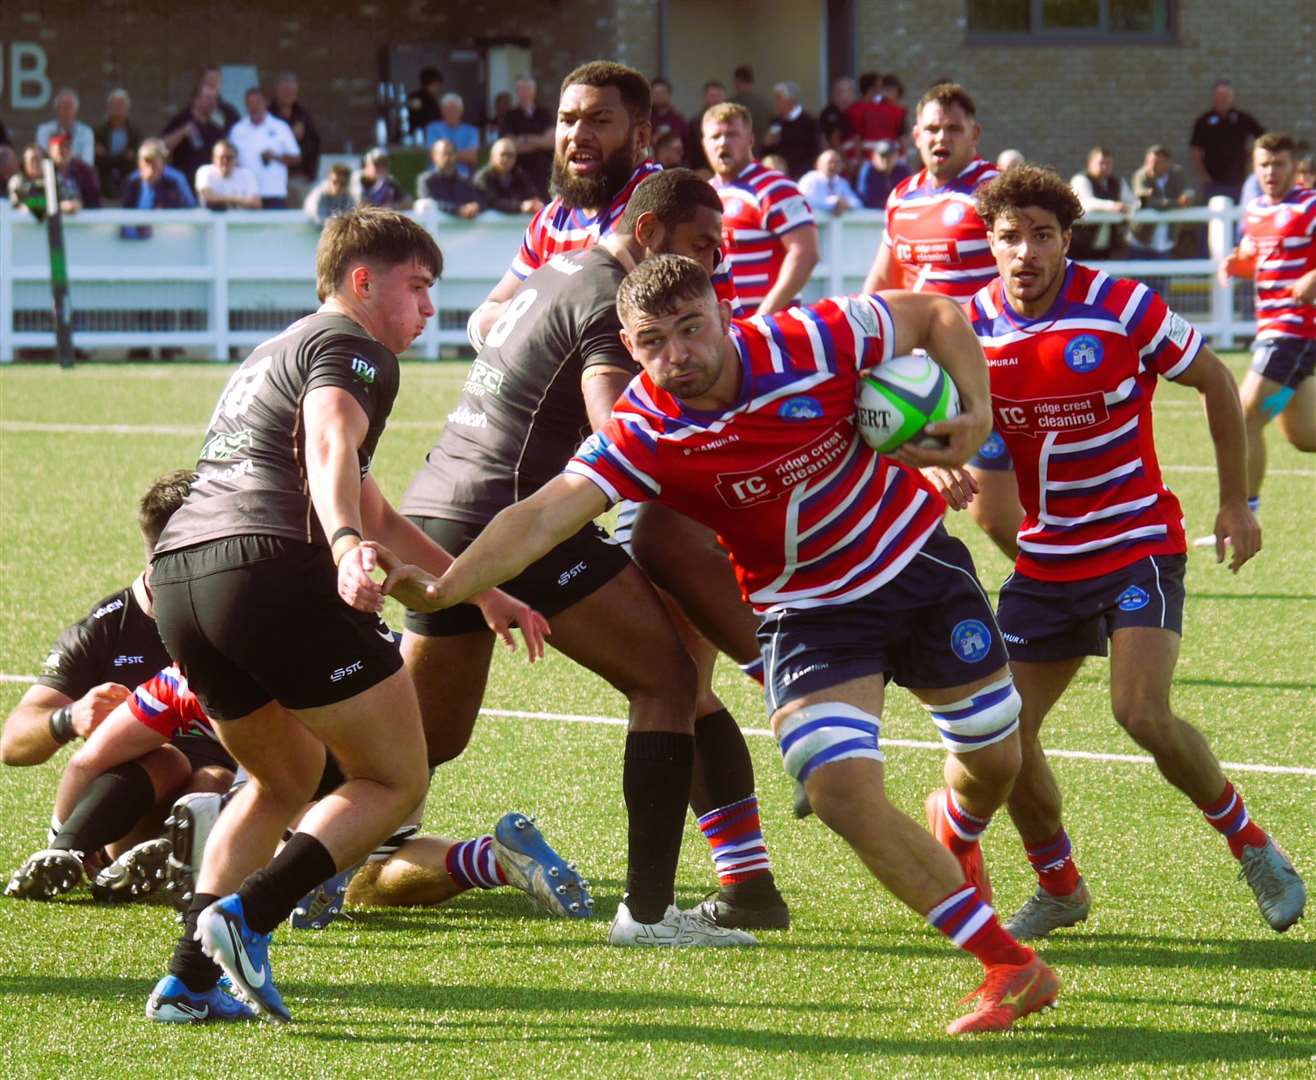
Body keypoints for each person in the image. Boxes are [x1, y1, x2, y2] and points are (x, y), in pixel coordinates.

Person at [387, 254, 1061, 1036]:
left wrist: (974, 415)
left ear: (723, 312)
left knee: (994, 759)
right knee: (840, 790)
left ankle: (957, 828)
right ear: (629, 348)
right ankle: (1008, 963)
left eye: (691, 328)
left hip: (916, 568)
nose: (678, 354)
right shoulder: (644, 428)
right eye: (653, 341)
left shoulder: (812, 339)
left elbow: (935, 314)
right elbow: (540, 516)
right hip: (808, 614)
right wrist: (444, 589)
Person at [142, 208, 547, 1024]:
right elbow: (331, 444)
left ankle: (187, 980)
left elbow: (376, 505)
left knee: (282, 780)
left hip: (183, 580)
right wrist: (345, 546)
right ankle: (246, 919)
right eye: (419, 286)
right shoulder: (354, 347)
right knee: (397, 776)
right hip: (268, 570)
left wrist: (480, 587)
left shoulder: (270, 351)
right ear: (363, 282)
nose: (431, 308)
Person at [392, 169, 778, 943]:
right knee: (669, 681)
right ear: (649, 234)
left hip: (440, 504)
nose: (712, 264)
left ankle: (248, 829)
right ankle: (649, 914)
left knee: (421, 744)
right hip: (514, 514)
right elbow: (615, 432)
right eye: (702, 245)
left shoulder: (558, 266)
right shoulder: (612, 296)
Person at [953, 164, 1304, 941]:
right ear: (990, 243)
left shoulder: (1120, 307)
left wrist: (1232, 502)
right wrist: (939, 458)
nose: (1026, 252)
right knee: (1001, 738)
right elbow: (950, 427)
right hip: (1046, 561)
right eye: (1010, 237)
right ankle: (1059, 883)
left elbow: (1216, 381)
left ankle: (1251, 844)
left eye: (1042, 236)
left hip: (1138, 540)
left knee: (1138, 710)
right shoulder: (969, 328)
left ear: (1066, 241)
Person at [860, 82, 1023, 561]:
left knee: (993, 511)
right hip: (918, 378)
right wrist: (859, 343)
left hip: (985, 366)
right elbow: (884, 277)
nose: (941, 137)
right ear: (915, 135)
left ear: (975, 133)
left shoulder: (994, 191)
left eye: (954, 128)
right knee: (895, 499)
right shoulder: (901, 198)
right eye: (932, 128)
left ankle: (1061, 587)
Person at [5, 662, 236, 904]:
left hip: (226, 821)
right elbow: (79, 762)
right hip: (129, 826)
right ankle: (163, 855)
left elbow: (84, 764)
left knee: (220, 783)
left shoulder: (179, 679)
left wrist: (63, 839)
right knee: (181, 766)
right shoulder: (174, 682)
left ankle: (159, 853)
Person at [1, 470, 185, 769]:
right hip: (145, 793)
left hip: (232, 785)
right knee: (166, 766)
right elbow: (13, 742)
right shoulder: (105, 629)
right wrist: (70, 717)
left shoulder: (237, 613)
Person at [1215, 132, 1316, 523]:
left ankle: (1244, 511)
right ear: (1254, 169)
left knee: (1245, 418)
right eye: (1263, 165)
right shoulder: (1255, 209)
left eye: (1279, 164)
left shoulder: (1309, 205)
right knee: (1306, 437)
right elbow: (1252, 254)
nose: (1270, 172)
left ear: (1293, 167)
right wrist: (1236, 264)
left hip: (1294, 333)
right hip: (1271, 331)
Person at [702, 101, 820, 315]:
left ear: (750, 140)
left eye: (732, 135)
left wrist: (761, 319)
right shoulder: (703, 194)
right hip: (727, 332)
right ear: (704, 143)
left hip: (771, 330)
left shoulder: (776, 187)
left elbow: (805, 253)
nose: (723, 143)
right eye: (715, 137)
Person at [1190, 79, 1264, 203]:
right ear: (1213, 97)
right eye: (1219, 96)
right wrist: (1204, 177)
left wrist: (1252, 161)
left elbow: (1262, 139)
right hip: (1213, 183)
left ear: (1232, 97)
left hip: (1239, 181)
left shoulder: (1242, 119)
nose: (1223, 99)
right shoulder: (1203, 121)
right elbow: (1196, 151)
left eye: (1226, 96)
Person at [227, 88, 301, 209]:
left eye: (258, 102)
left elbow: (296, 158)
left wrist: (276, 157)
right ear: (246, 106)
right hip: (245, 195)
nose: (254, 107)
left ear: (265, 103)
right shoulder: (237, 130)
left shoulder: (281, 127)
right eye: (250, 103)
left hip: (274, 193)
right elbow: (229, 159)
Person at [1129, 145, 1196, 259]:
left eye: (1157, 162)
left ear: (1168, 163)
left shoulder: (1177, 174)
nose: (1152, 166)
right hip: (1142, 238)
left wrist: (1185, 199)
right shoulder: (1141, 176)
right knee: (1138, 275)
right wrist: (1176, 203)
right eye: (1149, 161)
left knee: (1163, 274)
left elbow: (1187, 196)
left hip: (1166, 238)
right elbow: (1146, 203)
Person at [162, 84, 228, 198]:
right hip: (183, 186)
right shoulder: (181, 119)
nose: (212, 102)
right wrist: (182, 132)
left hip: (208, 187)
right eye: (208, 98)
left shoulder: (216, 128)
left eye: (215, 99)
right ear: (196, 99)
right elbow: (163, 147)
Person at [1068, 146, 1134, 260]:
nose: (1105, 167)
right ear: (1089, 163)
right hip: (1079, 244)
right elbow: (1086, 203)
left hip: (1106, 245)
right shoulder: (1080, 180)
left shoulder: (1117, 183)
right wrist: (1112, 206)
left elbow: (1132, 202)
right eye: (1101, 163)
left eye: (1109, 164)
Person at [121, 139, 195, 239]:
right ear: (139, 163)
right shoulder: (133, 182)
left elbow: (189, 207)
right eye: (147, 160)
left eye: (154, 160)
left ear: (162, 162)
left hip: (168, 237)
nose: (150, 165)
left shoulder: (174, 181)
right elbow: (124, 213)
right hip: (137, 240)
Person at [269, 73, 321, 206]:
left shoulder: (303, 116)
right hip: (271, 177)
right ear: (276, 91)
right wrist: (290, 136)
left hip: (298, 176)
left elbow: (314, 145)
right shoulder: (267, 114)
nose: (288, 94)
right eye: (284, 90)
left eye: (291, 91)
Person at [502, 75, 554, 199]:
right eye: (521, 89)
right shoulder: (510, 116)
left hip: (544, 172)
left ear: (534, 91)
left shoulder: (544, 113)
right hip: (520, 172)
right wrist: (540, 141)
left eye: (527, 88)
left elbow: (552, 142)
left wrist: (524, 139)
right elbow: (511, 145)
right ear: (517, 92)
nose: (524, 92)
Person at [762, 82, 822, 180]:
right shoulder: (775, 122)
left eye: (778, 98)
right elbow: (767, 154)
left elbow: (816, 150)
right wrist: (766, 144)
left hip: (802, 177)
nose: (776, 102)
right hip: (779, 177)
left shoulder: (809, 122)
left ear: (791, 100)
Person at [94, 88, 142, 203]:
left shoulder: (135, 133)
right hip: (103, 185)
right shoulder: (98, 132)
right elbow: (98, 160)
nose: (118, 108)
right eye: (114, 105)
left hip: (128, 184)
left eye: (121, 104)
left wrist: (108, 157)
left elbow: (134, 160)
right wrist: (123, 157)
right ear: (108, 108)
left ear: (127, 108)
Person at [473, 137, 544, 214]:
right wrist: (520, 206)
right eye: (503, 154)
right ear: (492, 156)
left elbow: (532, 196)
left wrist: (535, 204)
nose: (506, 159)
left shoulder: (519, 175)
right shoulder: (482, 178)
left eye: (510, 155)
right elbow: (492, 202)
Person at [417, 139, 485, 218]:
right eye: (443, 154)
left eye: (450, 153)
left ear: (456, 155)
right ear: (433, 156)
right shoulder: (426, 180)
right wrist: (457, 210)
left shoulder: (465, 182)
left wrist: (476, 206)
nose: (447, 157)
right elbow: (428, 203)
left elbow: (480, 200)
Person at [194, 139, 260, 210]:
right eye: (222, 157)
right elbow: (209, 199)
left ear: (236, 159)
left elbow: (256, 204)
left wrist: (221, 200)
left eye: (229, 157)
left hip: (241, 219)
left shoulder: (247, 174)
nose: (225, 161)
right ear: (214, 158)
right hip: (210, 220)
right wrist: (241, 201)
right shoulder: (204, 171)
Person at [424, 93, 480, 177]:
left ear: (461, 111)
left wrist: (445, 155)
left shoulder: (471, 131)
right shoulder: (432, 128)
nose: (451, 112)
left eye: (455, 109)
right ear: (442, 111)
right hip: (436, 176)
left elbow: (472, 158)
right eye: (447, 109)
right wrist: (461, 155)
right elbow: (433, 155)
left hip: (462, 177)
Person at [35, 87, 95, 165]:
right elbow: (42, 159)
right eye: (63, 106)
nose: (66, 110)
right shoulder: (44, 130)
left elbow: (88, 162)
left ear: (76, 109)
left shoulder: (86, 132)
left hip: (78, 174)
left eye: (70, 106)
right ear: (56, 108)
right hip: (51, 173)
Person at [798, 148, 861, 216]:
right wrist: (835, 202)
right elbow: (807, 202)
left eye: (837, 162)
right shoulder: (810, 180)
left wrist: (846, 204)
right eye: (830, 162)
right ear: (818, 164)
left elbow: (858, 204)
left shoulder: (841, 182)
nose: (833, 165)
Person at [855, 139, 910, 211]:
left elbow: (910, 196)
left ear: (896, 156)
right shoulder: (868, 170)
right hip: (873, 214)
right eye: (882, 156)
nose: (886, 160)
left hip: (898, 213)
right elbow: (864, 200)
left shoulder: (903, 170)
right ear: (873, 157)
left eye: (889, 156)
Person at [49, 133, 100, 208]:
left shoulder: (83, 170)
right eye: (60, 147)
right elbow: (32, 200)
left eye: (68, 146)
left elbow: (94, 200)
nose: (64, 150)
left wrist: (80, 205)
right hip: (50, 217)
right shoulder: (43, 170)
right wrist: (59, 206)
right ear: (50, 150)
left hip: (80, 216)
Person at [729, 65, 772, 153]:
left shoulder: (730, 106)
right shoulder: (765, 104)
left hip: (738, 154)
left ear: (737, 82)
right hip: (760, 153)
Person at [687, 80, 727, 174]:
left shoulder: (733, 122)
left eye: (719, 95)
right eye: (712, 96)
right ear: (705, 98)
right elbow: (691, 152)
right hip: (703, 171)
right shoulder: (695, 123)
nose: (716, 99)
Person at [819, 77, 859, 165]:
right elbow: (833, 140)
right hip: (837, 162)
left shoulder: (857, 111)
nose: (839, 96)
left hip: (857, 162)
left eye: (842, 92)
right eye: (836, 92)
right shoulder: (830, 113)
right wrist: (847, 163)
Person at [649, 77, 688, 155]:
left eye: (662, 93)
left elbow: (687, 147)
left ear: (669, 94)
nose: (659, 96)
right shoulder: (645, 119)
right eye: (656, 93)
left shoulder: (679, 120)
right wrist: (654, 140)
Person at [406, 67, 444, 140]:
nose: (439, 88)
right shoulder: (415, 98)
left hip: (427, 134)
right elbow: (414, 118)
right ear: (434, 83)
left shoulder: (430, 99)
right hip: (420, 135)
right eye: (438, 84)